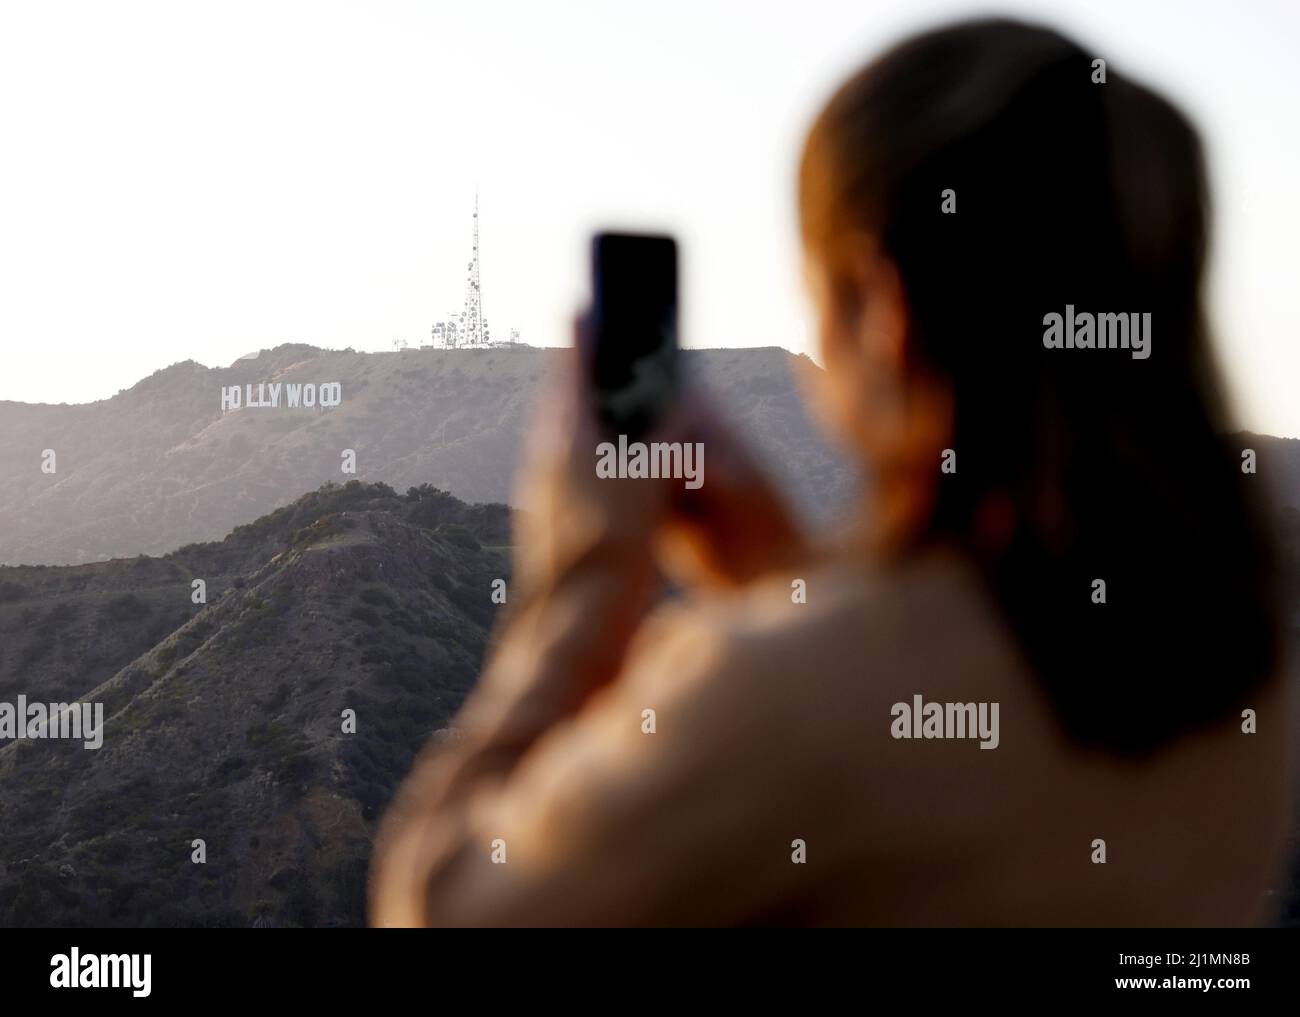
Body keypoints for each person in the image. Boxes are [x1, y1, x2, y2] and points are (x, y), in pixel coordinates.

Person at [370, 18, 1293, 926]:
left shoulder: (777, 695)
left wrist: (589, 572)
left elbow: (442, 903)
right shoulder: (1253, 645)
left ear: (882, 308)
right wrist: (784, 577)